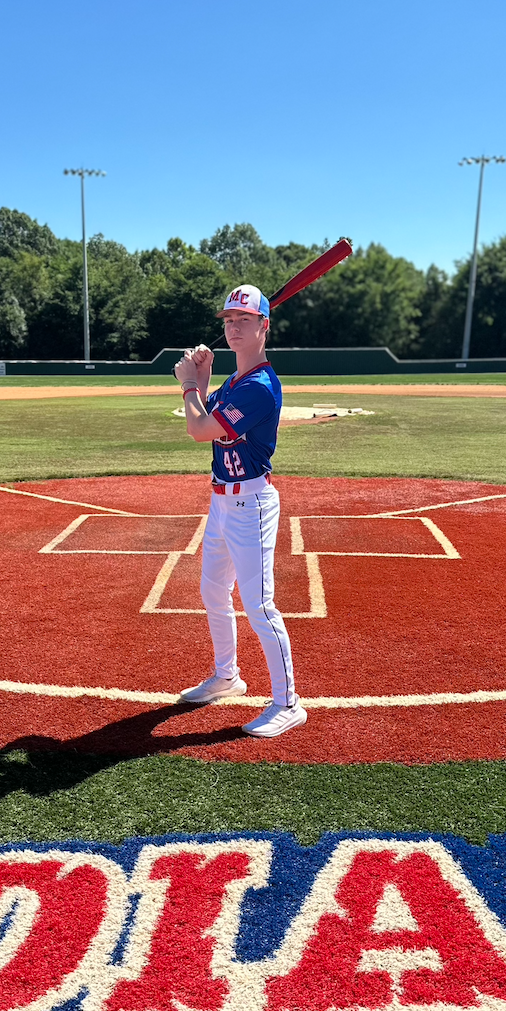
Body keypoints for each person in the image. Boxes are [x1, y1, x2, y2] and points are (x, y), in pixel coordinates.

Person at [173, 284, 307, 738]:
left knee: (259, 605)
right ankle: (227, 676)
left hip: (251, 503)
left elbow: (197, 428)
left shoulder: (260, 387)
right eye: (229, 320)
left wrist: (189, 383)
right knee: (213, 593)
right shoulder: (234, 383)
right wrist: (205, 381)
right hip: (221, 502)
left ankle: (288, 704)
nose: (233, 328)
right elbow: (208, 424)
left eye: (243, 321)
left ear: (264, 327)